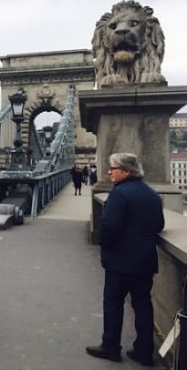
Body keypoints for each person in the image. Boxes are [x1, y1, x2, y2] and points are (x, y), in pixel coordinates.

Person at [86, 153, 164, 366]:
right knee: (142, 305)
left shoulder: (120, 194)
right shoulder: (152, 194)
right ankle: (144, 351)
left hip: (120, 261)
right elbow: (158, 225)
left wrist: (105, 246)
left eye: (113, 168)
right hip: (145, 260)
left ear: (126, 171)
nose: (109, 172)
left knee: (113, 303)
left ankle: (110, 346)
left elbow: (109, 228)